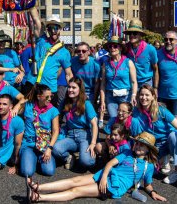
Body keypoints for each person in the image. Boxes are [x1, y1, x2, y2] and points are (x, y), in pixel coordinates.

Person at [26, 132, 166, 202]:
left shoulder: (149, 166)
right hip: (105, 175)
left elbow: (147, 184)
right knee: (74, 180)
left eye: (143, 145)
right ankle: (38, 187)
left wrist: (153, 192)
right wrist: (104, 176)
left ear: (149, 150)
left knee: (76, 191)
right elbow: (111, 164)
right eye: (138, 143)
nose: (139, 146)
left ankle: (39, 197)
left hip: (114, 186)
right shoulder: (128, 153)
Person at [133, 84, 177, 180]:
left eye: (147, 95)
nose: (144, 98)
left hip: (168, 141)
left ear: (153, 97)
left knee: (174, 135)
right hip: (152, 144)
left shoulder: (161, 110)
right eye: (141, 95)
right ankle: (163, 158)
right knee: (147, 172)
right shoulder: (136, 111)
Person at [21, 9, 73, 107]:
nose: (53, 31)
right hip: (32, 83)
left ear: (60, 29)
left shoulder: (64, 52)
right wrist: (30, 1)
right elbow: (36, 18)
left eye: (56, 28)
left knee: (48, 115)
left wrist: (72, 89)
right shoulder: (42, 40)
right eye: (50, 28)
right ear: (47, 30)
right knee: (28, 113)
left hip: (50, 88)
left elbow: (68, 74)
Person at [53, 77, 98, 170]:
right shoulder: (65, 102)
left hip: (84, 136)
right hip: (70, 135)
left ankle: (92, 155)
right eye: (69, 87)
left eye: (74, 88)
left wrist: (93, 143)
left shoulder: (86, 103)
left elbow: (94, 124)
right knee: (55, 149)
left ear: (80, 89)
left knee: (86, 162)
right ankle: (69, 157)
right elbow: (57, 117)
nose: (70, 90)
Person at [19, 84, 60, 178]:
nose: (50, 99)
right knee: (27, 172)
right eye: (47, 97)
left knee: (49, 171)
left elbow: (56, 131)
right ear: (38, 97)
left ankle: (37, 160)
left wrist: (49, 149)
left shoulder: (53, 111)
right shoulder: (29, 106)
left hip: (45, 145)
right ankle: (30, 158)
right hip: (29, 143)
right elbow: (16, 107)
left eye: (51, 96)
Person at [99, 36, 137, 128]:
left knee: (125, 120)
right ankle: (116, 140)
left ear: (120, 47)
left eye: (115, 46)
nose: (112, 48)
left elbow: (134, 81)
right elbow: (103, 84)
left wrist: (133, 95)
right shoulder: (106, 64)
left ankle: (126, 140)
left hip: (125, 96)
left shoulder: (128, 62)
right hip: (110, 96)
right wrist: (102, 101)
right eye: (110, 46)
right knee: (114, 119)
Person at [157, 31, 177, 120]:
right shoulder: (158, 54)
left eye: (171, 39)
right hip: (162, 95)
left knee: (176, 124)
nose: (168, 41)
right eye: (166, 39)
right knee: (162, 121)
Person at [124, 19, 159, 93]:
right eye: (130, 33)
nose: (132, 35)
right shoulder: (125, 48)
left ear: (140, 35)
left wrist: (155, 88)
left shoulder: (150, 49)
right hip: (130, 83)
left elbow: (155, 69)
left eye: (135, 33)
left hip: (146, 83)